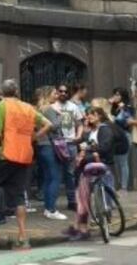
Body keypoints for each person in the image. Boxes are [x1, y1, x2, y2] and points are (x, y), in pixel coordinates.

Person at [0, 79, 52, 251]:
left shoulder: (2, 106)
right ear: (17, 92)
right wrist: (32, 138)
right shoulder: (27, 107)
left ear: (2, 93)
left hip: (6, 154)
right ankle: (23, 237)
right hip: (24, 156)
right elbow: (49, 124)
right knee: (18, 196)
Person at [64, 106, 116, 241]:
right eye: (87, 115)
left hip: (101, 164)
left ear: (99, 116)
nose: (88, 117)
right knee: (82, 195)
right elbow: (83, 144)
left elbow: (104, 147)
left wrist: (89, 149)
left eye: (91, 115)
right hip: (88, 166)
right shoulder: (89, 132)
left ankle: (83, 225)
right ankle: (80, 226)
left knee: (91, 190)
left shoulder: (105, 129)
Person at [34, 86, 67, 220]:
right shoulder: (49, 109)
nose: (57, 95)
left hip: (42, 145)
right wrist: (61, 115)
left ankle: (48, 208)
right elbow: (54, 125)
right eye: (54, 93)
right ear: (48, 95)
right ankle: (51, 209)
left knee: (48, 178)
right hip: (50, 145)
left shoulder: (40, 109)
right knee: (55, 178)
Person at [53, 83, 84, 211]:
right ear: (57, 92)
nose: (63, 94)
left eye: (66, 92)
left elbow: (80, 124)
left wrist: (79, 135)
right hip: (57, 143)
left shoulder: (73, 107)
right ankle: (51, 203)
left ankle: (72, 200)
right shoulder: (52, 107)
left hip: (70, 142)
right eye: (61, 91)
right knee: (55, 173)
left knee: (70, 173)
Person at [109, 87, 135, 191]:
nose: (115, 96)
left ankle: (124, 187)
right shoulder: (114, 107)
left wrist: (122, 109)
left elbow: (125, 121)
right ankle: (117, 184)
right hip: (114, 136)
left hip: (125, 135)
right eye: (115, 94)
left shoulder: (127, 107)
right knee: (115, 161)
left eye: (118, 94)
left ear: (123, 96)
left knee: (123, 162)